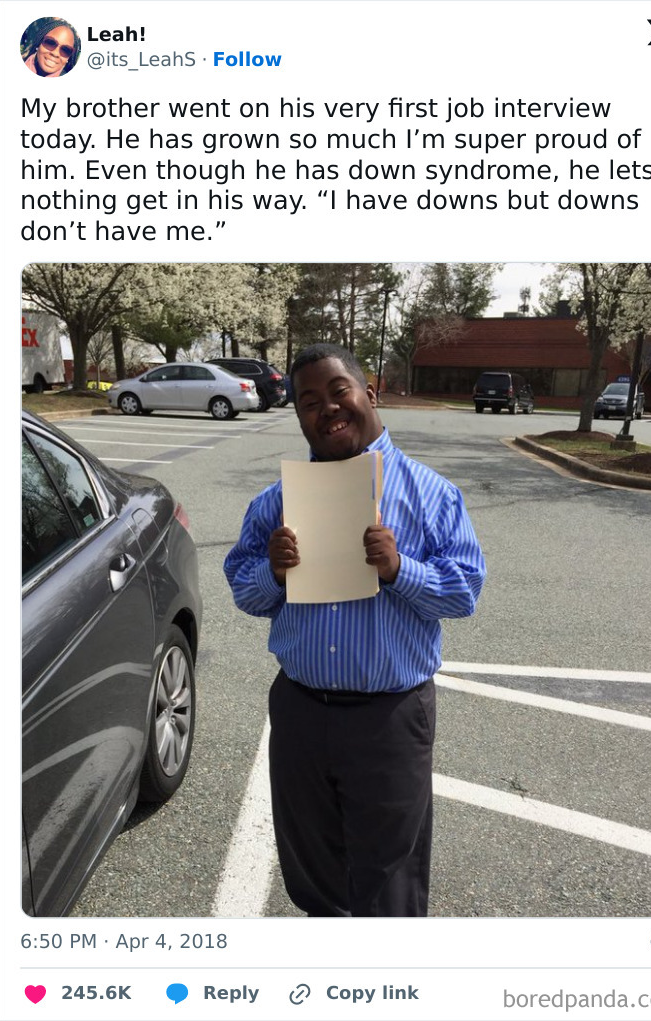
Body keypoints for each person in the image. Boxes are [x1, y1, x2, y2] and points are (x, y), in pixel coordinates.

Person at [224, 344, 485, 916]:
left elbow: (465, 591)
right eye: (310, 401)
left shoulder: (431, 495)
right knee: (312, 866)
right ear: (298, 417)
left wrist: (398, 569)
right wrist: (273, 572)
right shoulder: (276, 504)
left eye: (339, 391)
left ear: (371, 392)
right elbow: (242, 590)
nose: (328, 409)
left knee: (389, 874)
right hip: (301, 711)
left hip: (388, 717)